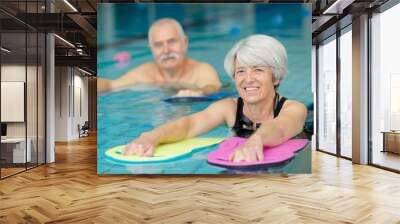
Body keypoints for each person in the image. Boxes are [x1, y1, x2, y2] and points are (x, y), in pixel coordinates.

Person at [123, 34, 307, 162]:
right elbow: (188, 125)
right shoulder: (229, 109)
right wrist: (151, 137)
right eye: (241, 71)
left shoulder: (294, 108)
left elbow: (281, 128)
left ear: (276, 77)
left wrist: (256, 140)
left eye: (258, 70)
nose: (248, 79)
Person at [98, 18, 222, 96]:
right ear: (151, 49)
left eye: (172, 41)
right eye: (158, 45)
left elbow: (212, 88)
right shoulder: (146, 74)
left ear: (185, 43)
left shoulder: (201, 70)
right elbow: (111, 85)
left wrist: (198, 93)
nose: (166, 50)